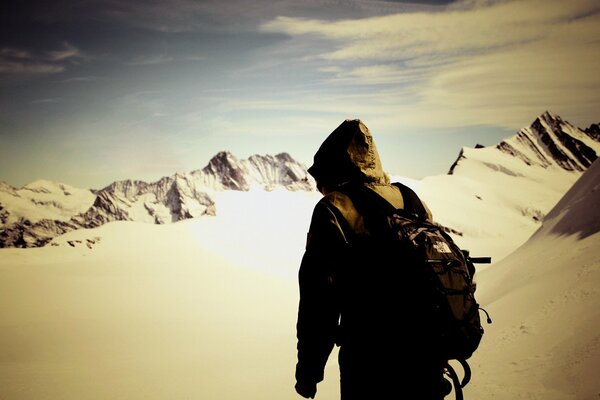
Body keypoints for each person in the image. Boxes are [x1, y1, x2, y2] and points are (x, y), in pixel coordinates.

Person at [294, 119, 451, 399]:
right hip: (428, 361)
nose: (320, 188)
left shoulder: (334, 209)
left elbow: (318, 305)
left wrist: (308, 373)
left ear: (333, 169)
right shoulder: (412, 200)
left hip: (369, 366)